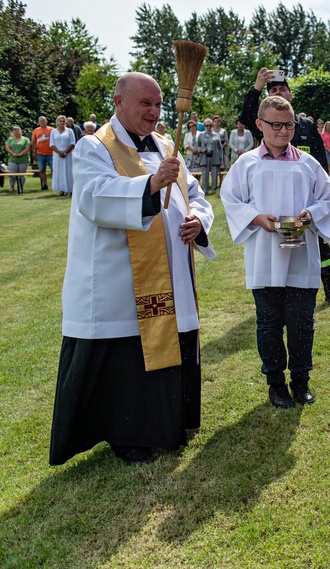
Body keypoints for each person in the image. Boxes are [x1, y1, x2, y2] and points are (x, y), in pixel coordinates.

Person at [50, 71, 216, 466]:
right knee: (126, 358)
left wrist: (198, 220)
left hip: (170, 271)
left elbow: (194, 192)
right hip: (117, 278)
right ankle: (127, 435)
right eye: (146, 103)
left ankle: (169, 424)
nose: (154, 111)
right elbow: (94, 197)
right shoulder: (94, 147)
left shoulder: (164, 143)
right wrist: (150, 185)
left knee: (168, 342)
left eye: (158, 104)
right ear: (119, 101)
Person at [221, 95, 330, 409]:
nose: (283, 131)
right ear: (259, 125)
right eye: (275, 125)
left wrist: (310, 214)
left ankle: (301, 382)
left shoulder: (307, 163)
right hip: (264, 255)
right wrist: (257, 218)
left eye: (288, 125)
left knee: (302, 323)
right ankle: (275, 384)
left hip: (301, 255)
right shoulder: (246, 164)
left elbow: (329, 196)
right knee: (269, 323)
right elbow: (231, 200)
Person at [239, 67, 330, 306]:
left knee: (320, 247)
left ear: (290, 95)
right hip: (277, 205)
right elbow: (246, 116)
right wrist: (256, 87)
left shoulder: (305, 125)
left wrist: (321, 195)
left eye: (282, 89)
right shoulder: (264, 124)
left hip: (307, 201)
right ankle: (276, 290)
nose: (278, 93)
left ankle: (329, 287)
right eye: (273, 90)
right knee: (278, 248)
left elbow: (318, 158)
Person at [50, 115, 76, 196]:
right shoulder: (53, 132)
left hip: (68, 154)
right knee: (59, 171)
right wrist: (59, 152)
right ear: (57, 122)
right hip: (57, 155)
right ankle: (61, 189)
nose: (61, 123)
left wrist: (65, 152)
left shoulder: (69, 131)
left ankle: (70, 189)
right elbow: (52, 144)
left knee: (68, 171)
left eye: (63, 121)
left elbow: (72, 142)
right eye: (60, 121)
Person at [198, 118, 224, 195]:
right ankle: (205, 190)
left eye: (210, 125)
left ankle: (214, 190)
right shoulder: (201, 135)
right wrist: (201, 150)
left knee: (214, 174)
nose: (208, 127)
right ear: (204, 126)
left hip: (214, 157)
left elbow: (220, 148)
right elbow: (197, 146)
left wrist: (221, 158)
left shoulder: (216, 135)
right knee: (205, 175)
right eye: (207, 125)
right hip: (204, 157)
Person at [5, 125, 30, 194]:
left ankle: (21, 186)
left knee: (22, 173)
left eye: (18, 130)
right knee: (12, 173)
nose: (16, 131)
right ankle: (12, 186)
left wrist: (21, 154)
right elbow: (7, 147)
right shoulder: (10, 139)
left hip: (23, 159)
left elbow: (28, 148)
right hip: (12, 159)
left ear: (21, 131)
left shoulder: (26, 139)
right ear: (12, 132)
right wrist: (13, 153)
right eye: (15, 130)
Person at [32, 116, 53, 190]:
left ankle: (55, 184)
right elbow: (33, 142)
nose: (42, 122)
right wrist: (33, 151)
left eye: (43, 121)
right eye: (40, 121)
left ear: (46, 121)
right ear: (38, 122)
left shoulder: (52, 130)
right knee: (42, 170)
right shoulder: (36, 130)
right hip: (40, 153)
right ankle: (45, 184)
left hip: (51, 153)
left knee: (54, 169)